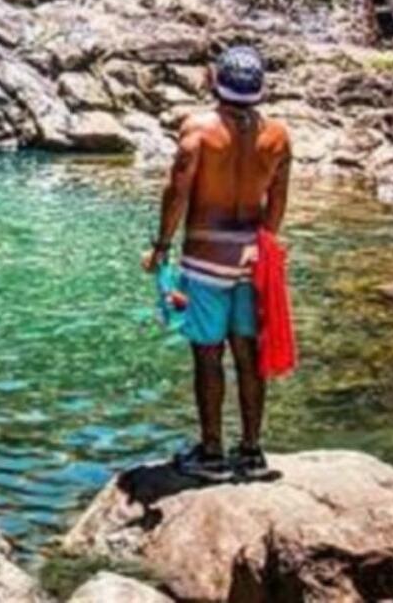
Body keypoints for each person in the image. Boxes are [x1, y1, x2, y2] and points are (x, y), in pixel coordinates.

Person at [142, 45, 291, 482]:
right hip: (251, 258)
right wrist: (264, 246)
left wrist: (162, 245)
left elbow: (178, 191)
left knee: (207, 355)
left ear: (214, 81)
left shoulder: (199, 129)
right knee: (248, 353)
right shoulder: (279, 136)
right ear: (260, 88)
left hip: (206, 258)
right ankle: (251, 451)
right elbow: (278, 201)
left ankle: (211, 453)